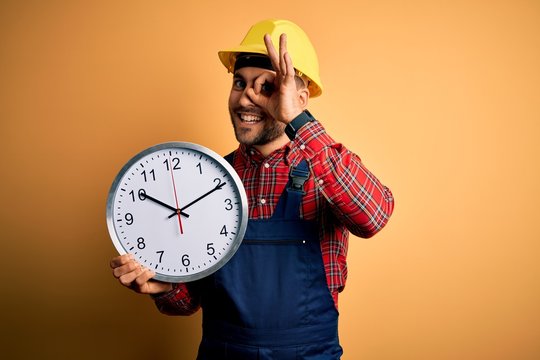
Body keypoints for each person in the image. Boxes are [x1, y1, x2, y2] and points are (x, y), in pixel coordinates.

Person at [110, 19, 394, 359]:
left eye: (267, 87)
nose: (247, 96)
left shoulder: (326, 171)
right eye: (240, 83)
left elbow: (373, 216)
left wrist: (297, 120)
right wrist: (164, 287)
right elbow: (188, 302)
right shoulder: (205, 180)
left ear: (299, 99)